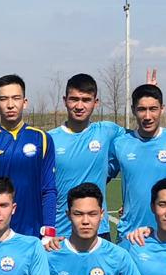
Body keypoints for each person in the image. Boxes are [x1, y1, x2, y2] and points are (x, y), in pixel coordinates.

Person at [0, 74, 57, 239]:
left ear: (25, 102)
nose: (10, 105)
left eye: (16, 98)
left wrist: (49, 231)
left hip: (33, 234)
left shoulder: (42, 139)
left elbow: (49, 189)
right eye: (4, 99)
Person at [110, 83, 166, 238]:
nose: (148, 116)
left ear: (162, 109)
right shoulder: (120, 144)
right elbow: (100, 176)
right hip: (130, 233)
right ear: (133, 110)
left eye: (153, 109)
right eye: (142, 109)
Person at [47, 73, 123, 239]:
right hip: (61, 232)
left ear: (96, 102)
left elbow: (141, 139)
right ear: (65, 100)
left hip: (99, 230)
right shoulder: (49, 139)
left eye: (86, 100)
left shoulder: (107, 131)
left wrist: (149, 92)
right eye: (74, 99)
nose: (79, 106)